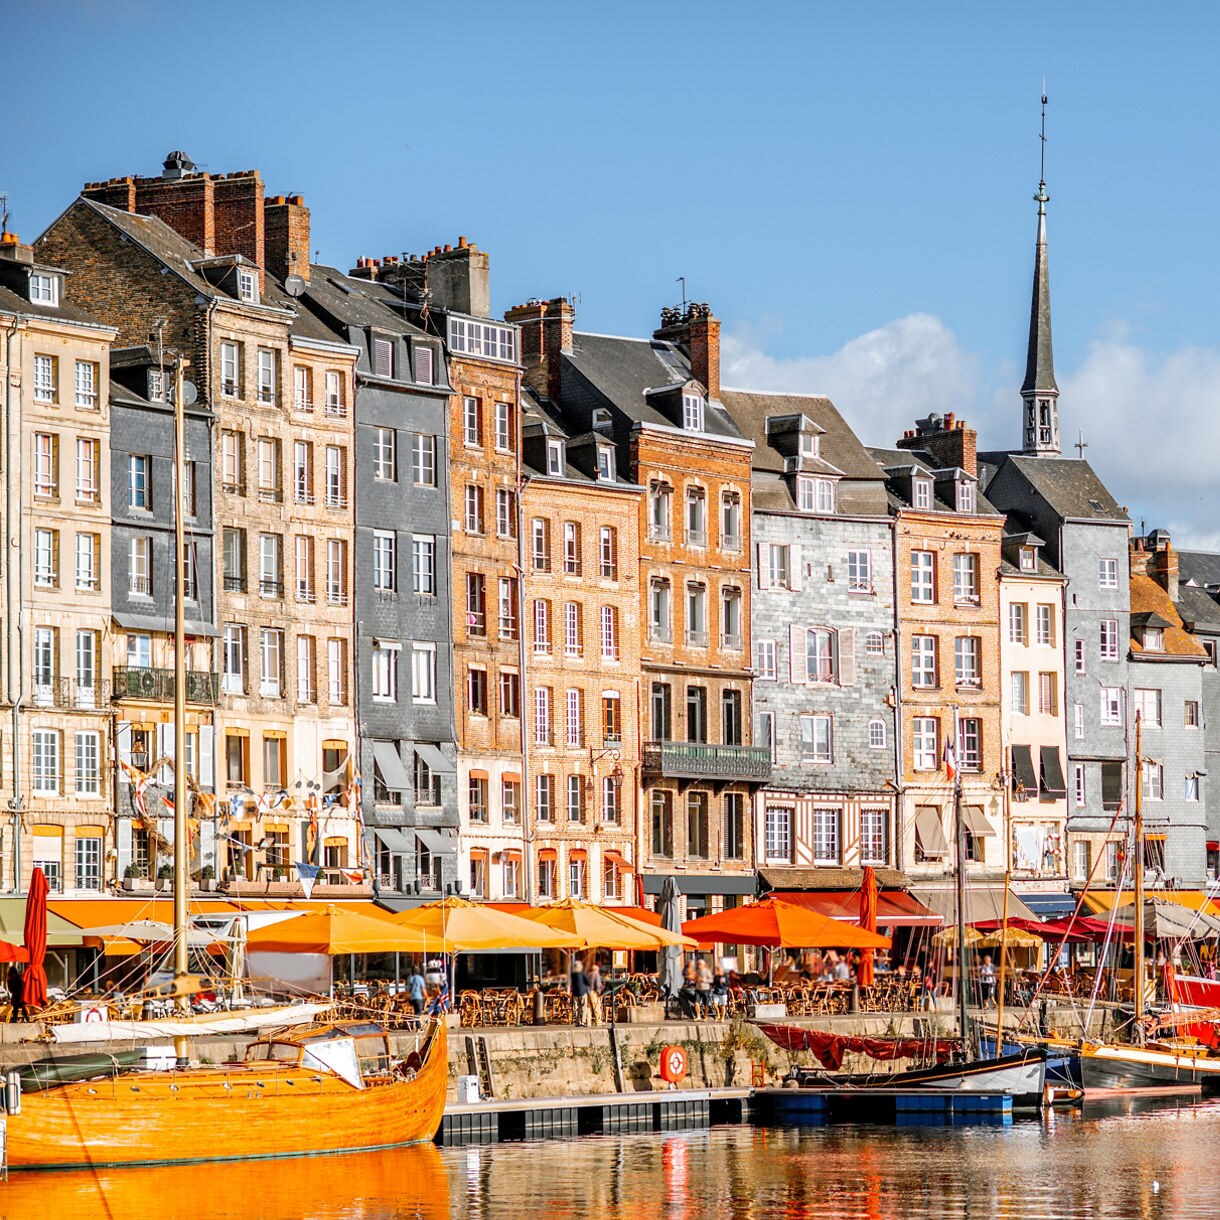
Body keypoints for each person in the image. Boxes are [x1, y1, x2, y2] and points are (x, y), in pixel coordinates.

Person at [571, 958, 592, 1025]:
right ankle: (583, 1021)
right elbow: (588, 982)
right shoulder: (582, 974)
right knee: (583, 1007)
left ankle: (577, 1022)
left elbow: (572, 983)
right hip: (582, 992)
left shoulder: (573, 975)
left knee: (577, 1008)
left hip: (575, 993)